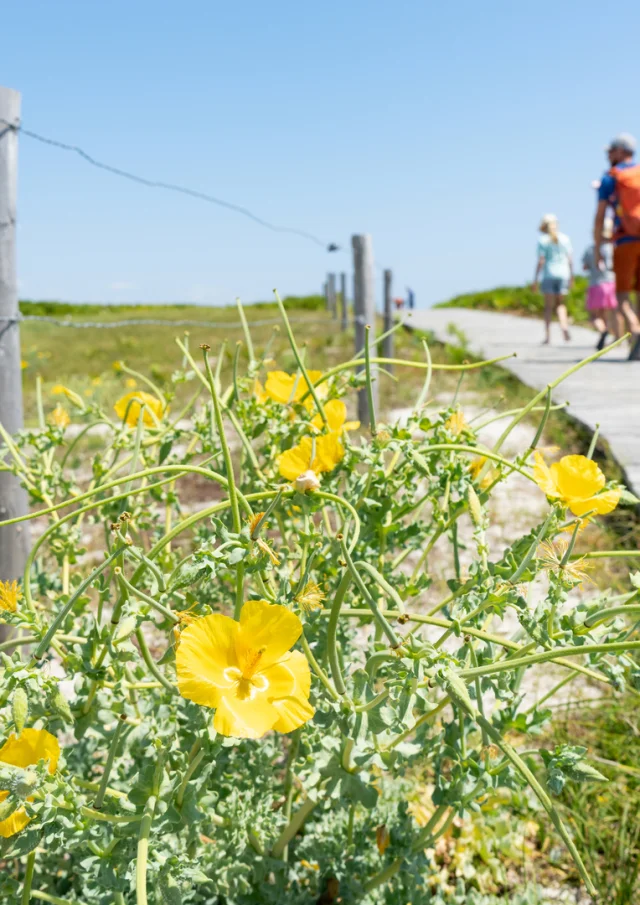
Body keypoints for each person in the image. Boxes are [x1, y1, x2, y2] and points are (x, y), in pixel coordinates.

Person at [593, 133, 640, 360]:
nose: (608, 155)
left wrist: (596, 248)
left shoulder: (611, 177)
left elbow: (600, 216)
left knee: (621, 295)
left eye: (610, 151)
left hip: (625, 240)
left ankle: (635, 329)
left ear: (620, 151)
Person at [532, 214, 573, 344]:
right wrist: (572, 276)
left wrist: (535, 279)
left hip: (549, 274)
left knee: (548, 307)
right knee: (560, 304)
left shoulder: (542, 240)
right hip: (564, 274)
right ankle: (564, 327)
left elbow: (541, 261)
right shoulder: (565, 238)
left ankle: (548, 336)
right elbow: (570, 260)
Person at [582, 220, 620, 350]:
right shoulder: (612, 247)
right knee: (612, 312)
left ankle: (603, 330)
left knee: (594, 316)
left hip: (596, 284)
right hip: (611, 282)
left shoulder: (590, 249)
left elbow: (585, 266)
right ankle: (617, 336)